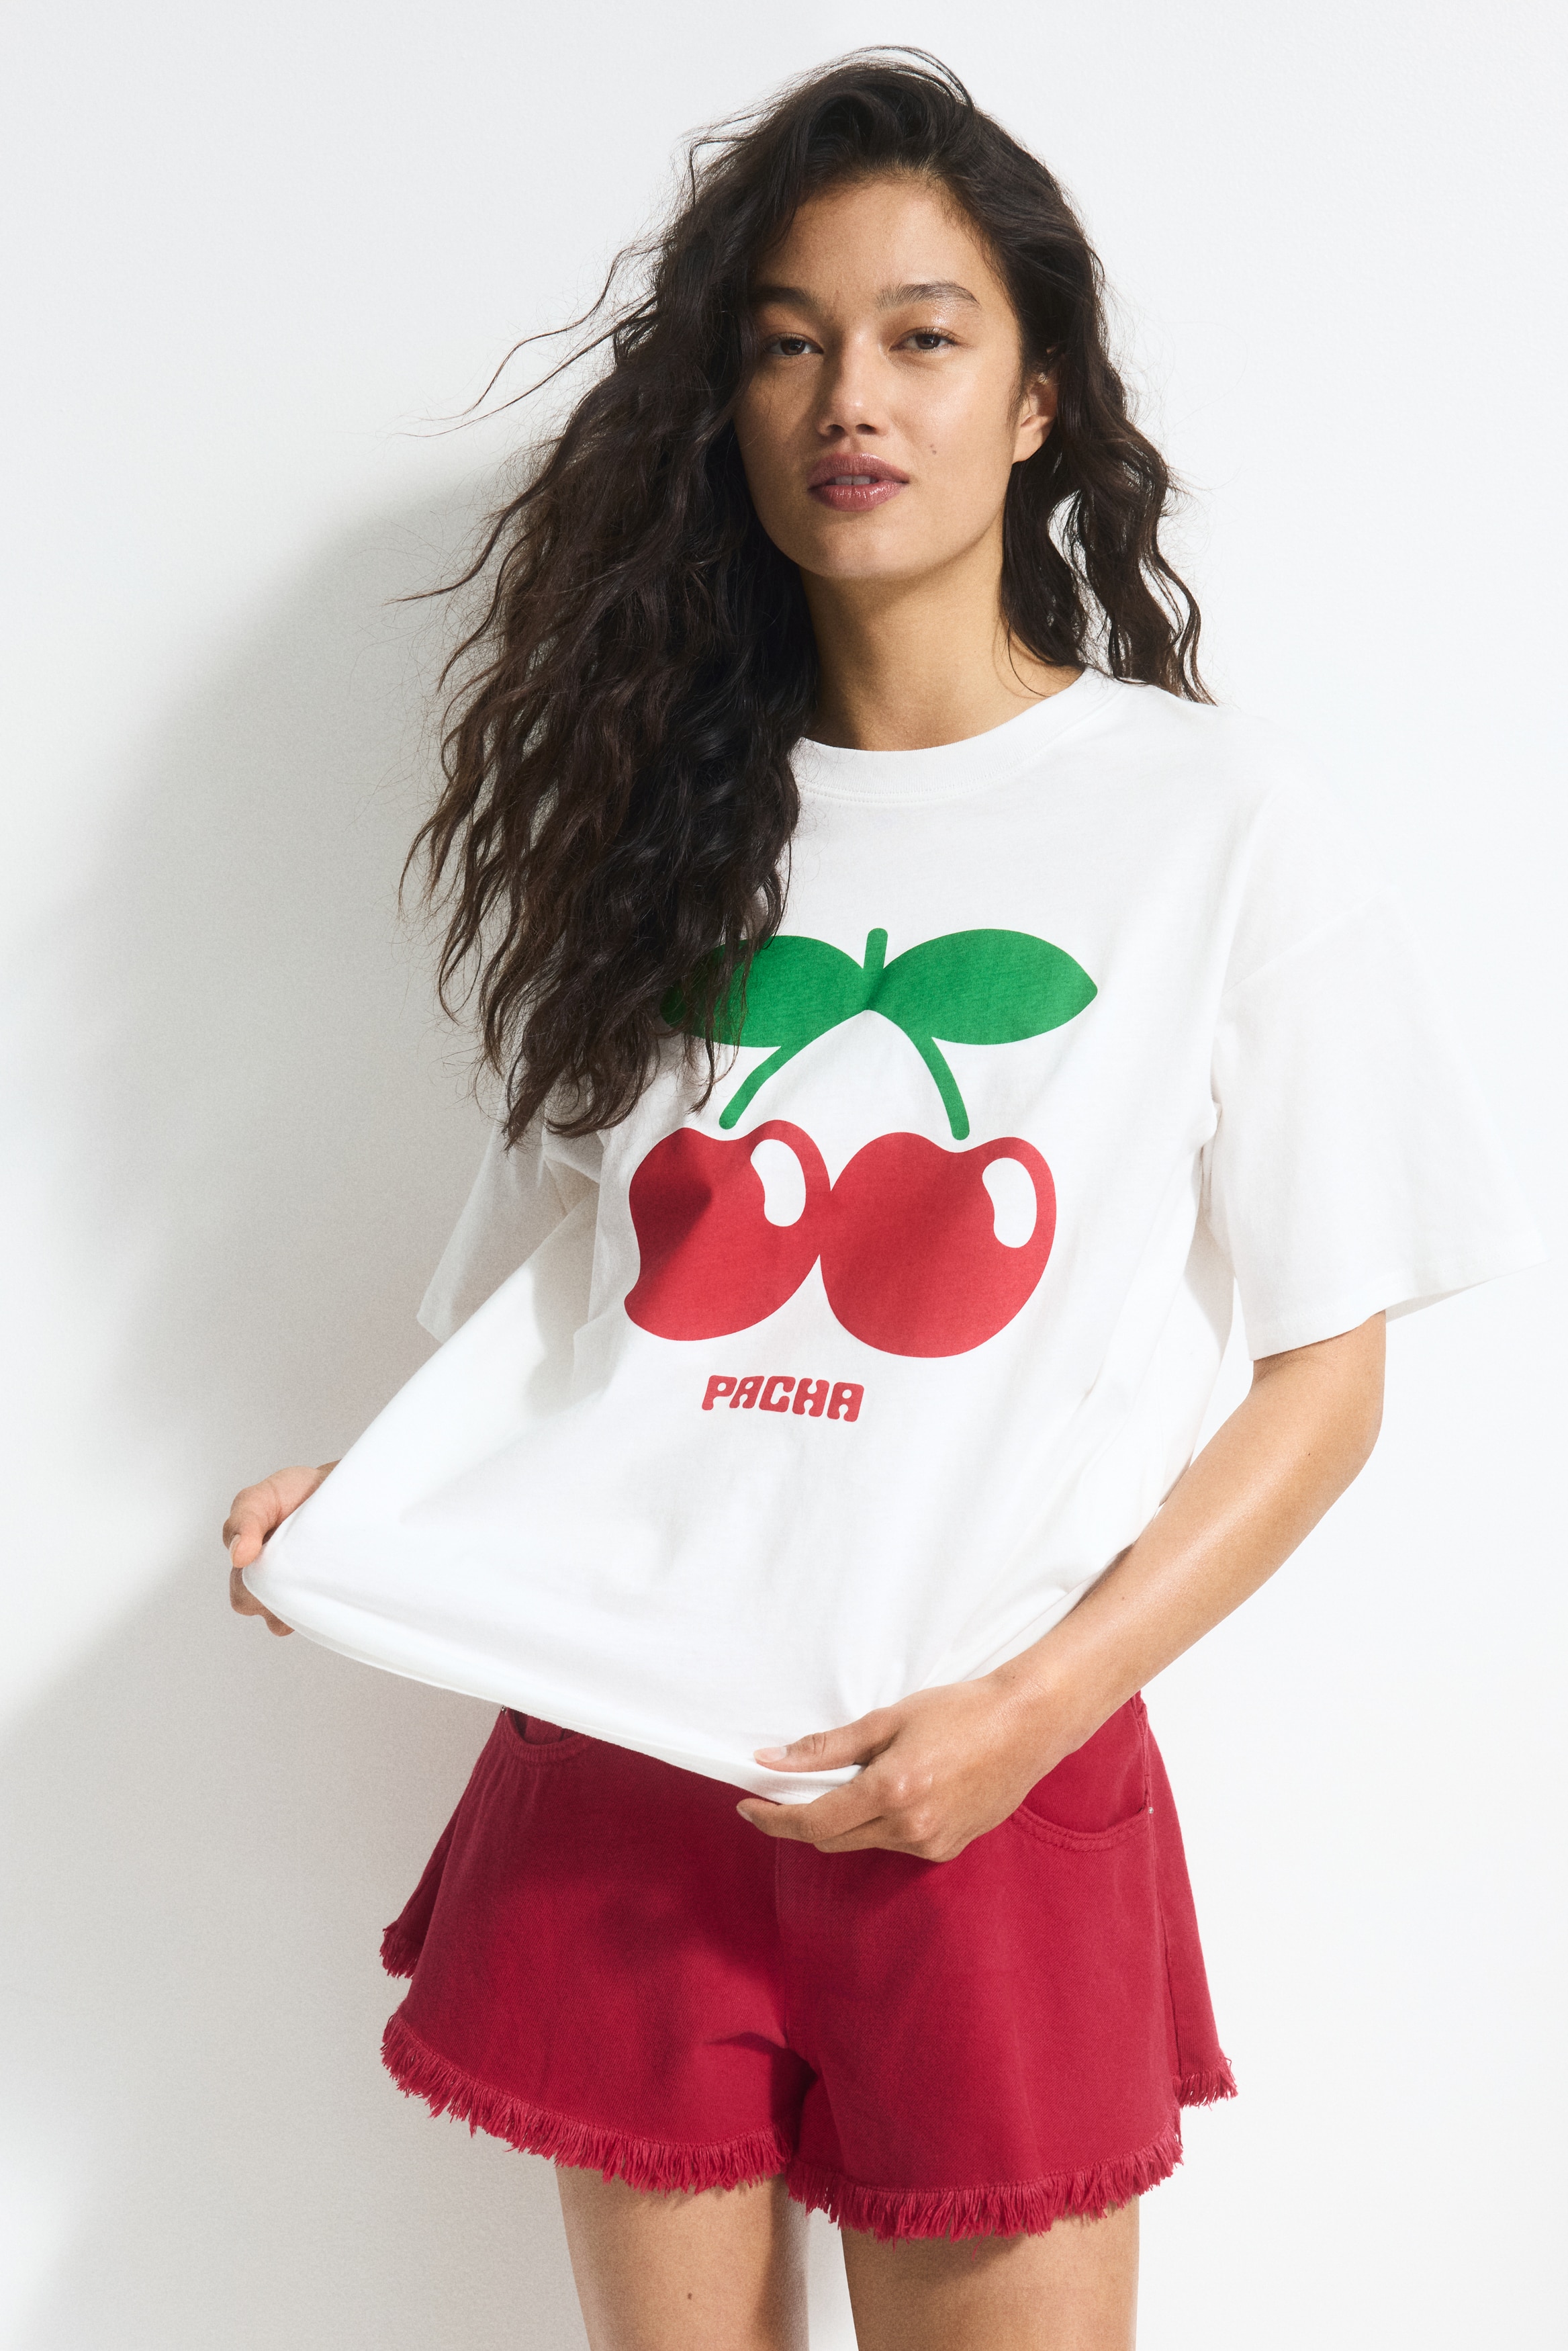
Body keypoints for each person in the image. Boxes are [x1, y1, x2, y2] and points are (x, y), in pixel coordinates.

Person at [223, 53, 1539, 2351]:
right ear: (728, 406)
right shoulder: (655, 827)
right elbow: (586, 1331)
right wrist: (375, 1505)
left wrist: (1029, 1708)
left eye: (925, 335)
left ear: (1038, 402)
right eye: (787, 341)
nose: (852, 394)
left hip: (989, 1769)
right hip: (629, 1756)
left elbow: (1327, 1381)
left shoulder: (1213, 824)